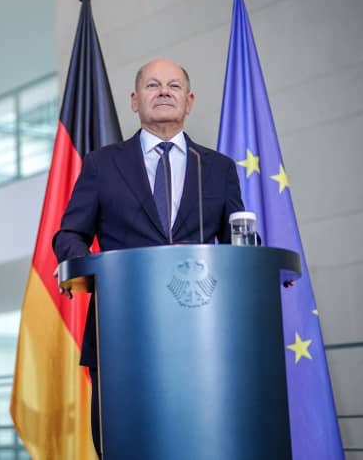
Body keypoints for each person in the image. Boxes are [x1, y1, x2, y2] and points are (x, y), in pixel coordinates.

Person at [52, 58, 245, 457]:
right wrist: (85, 267)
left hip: (202, 335)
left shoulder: (218, 168)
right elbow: (69, 234)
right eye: (153, 85)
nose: (164, 92)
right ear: (134, 100)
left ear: (189, 102)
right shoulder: (102, 164)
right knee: (124, 444)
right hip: (121, 329)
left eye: (174, 87)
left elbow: (236, 244)